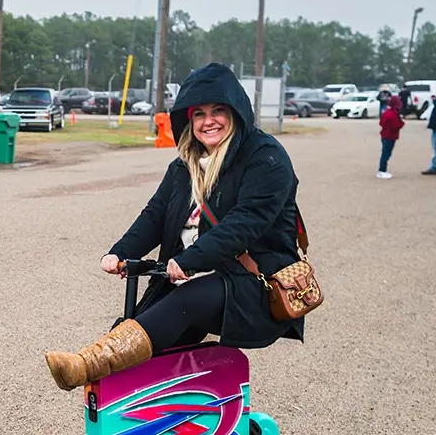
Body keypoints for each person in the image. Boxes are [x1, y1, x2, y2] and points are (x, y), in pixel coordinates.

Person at [44, 63, 305, 391]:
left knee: (185, 302)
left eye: (218, 110)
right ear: (189, 120)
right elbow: (155, 214)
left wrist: (190, 259)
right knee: (143, 334)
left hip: (253, 280)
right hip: (191, 273)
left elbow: (246, 222)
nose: (209, 121)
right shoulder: (185, 164)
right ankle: (143, 410)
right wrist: (121, 251)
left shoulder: (265, 158)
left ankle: (88, 363)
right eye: (199, 114)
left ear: (236, 112)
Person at [376, 94, 405, 179]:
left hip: (385, 135)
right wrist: (402, 123)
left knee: (385, 153)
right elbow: (396, 125)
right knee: (386, 154)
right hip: (390, 136)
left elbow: (381, 123)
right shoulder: (393, 114)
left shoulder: (386, 112)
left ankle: (382, 170)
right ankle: (382, 170)